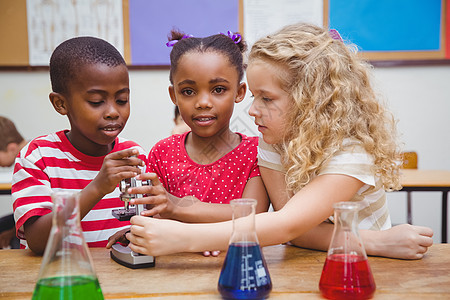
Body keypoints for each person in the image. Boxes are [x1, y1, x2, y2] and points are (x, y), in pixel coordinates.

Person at [117, 23, 433, 260]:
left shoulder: (351, 153)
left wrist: (183, 237)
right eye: (254, 96)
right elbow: (296, 232)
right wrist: (377, 241)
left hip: (364, 265)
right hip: (306, 262)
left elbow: (284, 226)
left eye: (266, 98)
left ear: (311, 100)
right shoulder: (273, 141)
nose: (252, 110)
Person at [107, 30, 269, 256]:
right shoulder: (162, 152)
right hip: (173, 271)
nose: (203, 102)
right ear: (174, 96)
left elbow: (253, 215)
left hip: (236, 267)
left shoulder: (257, 152)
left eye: (218, 89)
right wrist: (136, 230)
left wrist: (175, 206)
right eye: (188, 91)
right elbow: (155, 215)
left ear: (239, 92)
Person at [12, 36, 147, 255]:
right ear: (61, 103)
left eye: (122, 100)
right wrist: (97, 187)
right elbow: (37, 241)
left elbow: (147, 222)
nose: (113, 111)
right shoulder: (38, 157)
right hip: (61, 281)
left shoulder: (134, 155)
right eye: (96, 101)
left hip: (122, 282)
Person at [0, 116, 26, 249]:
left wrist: (11, 233)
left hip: (42, 219)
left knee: (14, 238)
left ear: (11, 148)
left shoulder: (30, 158)